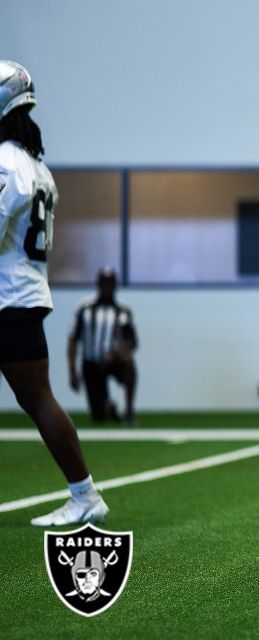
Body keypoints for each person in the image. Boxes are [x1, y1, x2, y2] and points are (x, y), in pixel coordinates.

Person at [0, 60, 110, 526]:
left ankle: (85, 494)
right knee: (38, 398)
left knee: (38, 398)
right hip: (23, 293)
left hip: (8, 298)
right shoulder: (37, 167)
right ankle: (84, 493)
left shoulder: (6, 162)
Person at [69, 267, 139, 425]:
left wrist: (116, 353)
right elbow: (73, 339)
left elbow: (132, 341)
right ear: (98, 284)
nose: (107, 287)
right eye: (104, 283)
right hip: (91, 364)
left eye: (110, 283)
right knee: (98, 417)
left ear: (115, 285)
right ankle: (108, 408)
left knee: (129, 364)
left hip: (114, 361)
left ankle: (129, 411)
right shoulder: (84, 308)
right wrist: (72, 371)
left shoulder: (123, 311)